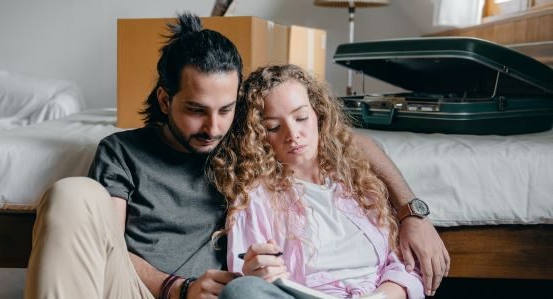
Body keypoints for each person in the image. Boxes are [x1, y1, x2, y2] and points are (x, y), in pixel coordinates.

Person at [24, 13, 447, 299]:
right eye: (195, 110)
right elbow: (107, 246)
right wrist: (178, 288)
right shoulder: (123, 152)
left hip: (226, 295)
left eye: (226, 109)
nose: (212, 127)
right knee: (74, 193)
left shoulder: (244, 143)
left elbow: (346, 141)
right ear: (164, 98)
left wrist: (413, 212)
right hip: (143, 292)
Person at [209, 64, 424, 299]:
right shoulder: (254, 197)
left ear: (318, 114)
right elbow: (248, 279)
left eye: (301, 117)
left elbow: (406, 266)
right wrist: (255, 271)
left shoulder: (360, 177)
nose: (292, 135)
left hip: (377, 295)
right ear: (257, 135)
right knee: (241, 290)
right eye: (273, 127)